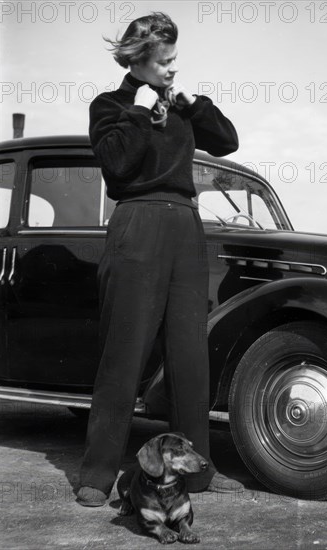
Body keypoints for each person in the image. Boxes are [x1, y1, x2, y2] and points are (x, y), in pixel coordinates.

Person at [76, 12, 242, 507]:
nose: (173, 69)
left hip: (186, 228)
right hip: (138, 225)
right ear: (140, 61)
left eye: (175, 61)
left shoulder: (181, 106)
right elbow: (116, 164)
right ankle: (98, 474)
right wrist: (138, 110)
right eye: (165, 62)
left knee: (190, 359)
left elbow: (228, 140)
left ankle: (196, 475)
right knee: (124, 355)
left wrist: (193, 104)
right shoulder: (110, 105)